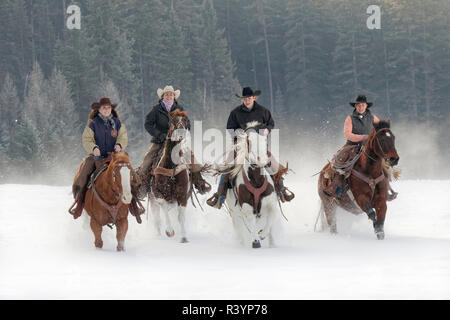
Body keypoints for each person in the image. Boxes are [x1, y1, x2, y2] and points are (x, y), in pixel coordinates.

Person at [206, 87, 295, 209]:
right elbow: (230, 129)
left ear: (254, 98)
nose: (247, 100)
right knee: (227, 169)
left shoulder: (263, 111)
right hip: (240, 147)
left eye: (249, 98)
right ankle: (219, 197)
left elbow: (271, 123)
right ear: (242, 99)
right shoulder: (235, 113)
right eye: (245, 99)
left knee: (275, 167)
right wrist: (240, 136)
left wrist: (267, 130)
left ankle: (282, 191)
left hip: (260, 147)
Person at [136, 85, 210, 197]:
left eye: (171, 94)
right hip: (159, 141)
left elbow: (188, 123)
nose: (169, 96)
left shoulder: (179, 109)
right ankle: (142, 185)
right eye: (167, 94)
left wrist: (183, 132)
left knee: (191, 156)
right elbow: (148, 124)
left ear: (174, 97)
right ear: (163, 97)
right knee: (147, 160)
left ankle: (199, 182)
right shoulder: (156, 109)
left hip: (176, 142)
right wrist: (159, 134)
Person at [325, 94, 397, 200]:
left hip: (370, 147)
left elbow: (380, 131)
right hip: (352, 145)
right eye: (358, 105)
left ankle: (387, 189)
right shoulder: (350, 118)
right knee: (341, 162)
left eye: (362, 105)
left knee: (383, 164)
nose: (360, 107)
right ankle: (337, 188)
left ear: (366, 106)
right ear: (355, 106)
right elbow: (347, 134)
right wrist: (362, 137)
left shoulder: (373, 118)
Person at [69, 97, 128, 218]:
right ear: (99, 110)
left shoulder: (117, 123)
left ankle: (134, 203)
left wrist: (119, 144)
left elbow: (123, 136)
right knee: (83, 173)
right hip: (97, 157)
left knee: (129, 174)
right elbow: (86, 139)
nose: (106, 110)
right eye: (104, 108)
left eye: (108, 108)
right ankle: (79, 201)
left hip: (114, 157)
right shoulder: (93, 123)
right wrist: (94, 148)